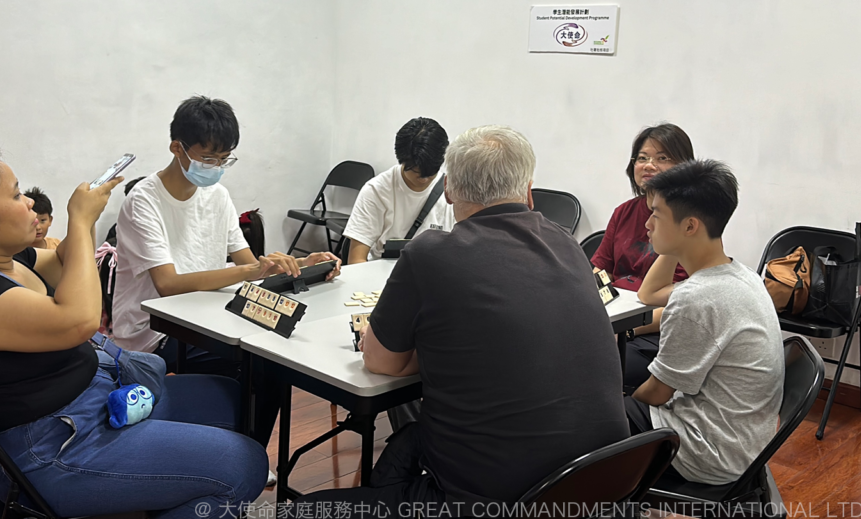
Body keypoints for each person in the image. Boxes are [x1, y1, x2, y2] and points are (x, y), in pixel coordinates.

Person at [0, 150, 267, 518]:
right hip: (55, 449)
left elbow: (68, 266)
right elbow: (80, 321)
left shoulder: (9, 261)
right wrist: (78, 221)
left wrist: (87, 217)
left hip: (95, 403)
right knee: (243, 465)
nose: (29, 201)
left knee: (233, 400)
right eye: (15, 194)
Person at [297, 126, 629, 515]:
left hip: (495, 501)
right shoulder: (567, 244)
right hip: (602, 485)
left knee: (300, 510)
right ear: (528, 191)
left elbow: (381, 362)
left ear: (449, 189)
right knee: (407, 443)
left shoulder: (431, 253)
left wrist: (426, 346)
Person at [111, 95, 340, 445]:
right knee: (261, 363)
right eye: (208, 158)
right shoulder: (144, 200)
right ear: (177, 148)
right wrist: (249, 270)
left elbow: (249, 263)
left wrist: (301, 264)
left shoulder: (217, 196)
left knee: (275, 358)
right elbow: (168, 284)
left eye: (224, 159)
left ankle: (247, 452)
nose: (216, 166)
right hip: (154, 331)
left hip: (209, 317)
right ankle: (235, 450)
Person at [629, 160, 783, 486]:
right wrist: (676, 243)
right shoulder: (740, 274)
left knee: (591, 417)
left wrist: (619, 408)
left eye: (656, 214)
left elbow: (656, 394)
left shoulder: (697, 297)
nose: (647, 224)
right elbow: (650, 294)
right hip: (745, 443)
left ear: (690, 226)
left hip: (709, 453)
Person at [590, 123, 694, 388]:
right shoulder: (624, 212)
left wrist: (624, 328)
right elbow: (601, 269)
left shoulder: (691, 222)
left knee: (592, 366)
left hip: (655, 331)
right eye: (642, 158)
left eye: (662, 158)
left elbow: (683, 303)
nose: (649, 165)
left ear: (684, 166)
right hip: (613, 319)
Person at [343, 118, 456, 264]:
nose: (424, 179)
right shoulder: (376, 191)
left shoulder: (454, 192)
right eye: (416, 172)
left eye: (430, 173)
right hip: (382, 274)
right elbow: (356, 260)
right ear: (401, 160)